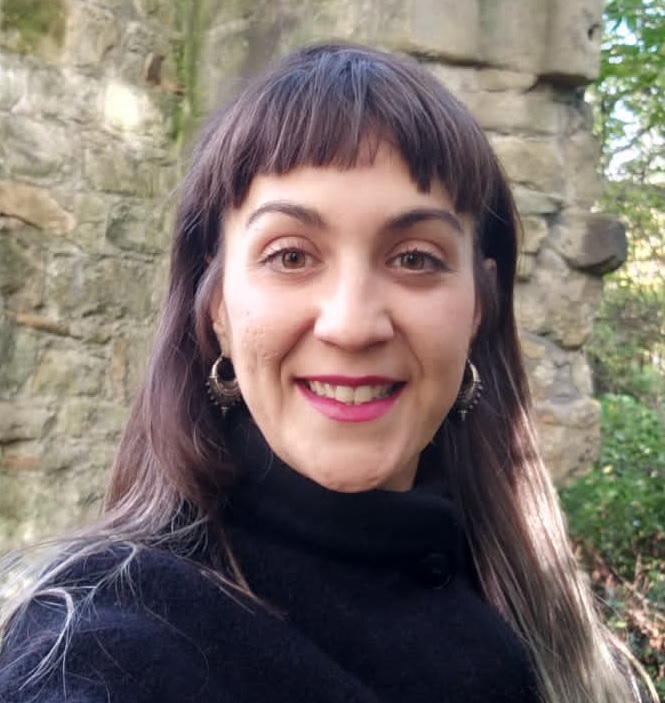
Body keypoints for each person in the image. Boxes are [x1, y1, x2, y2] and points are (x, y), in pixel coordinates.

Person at [0, 42, 655, 703]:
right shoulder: (102, 649)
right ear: (217, 304)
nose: (351, 324)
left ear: (479, 305)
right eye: (290, 256)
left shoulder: (544, 623)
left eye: (415, 258)